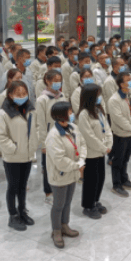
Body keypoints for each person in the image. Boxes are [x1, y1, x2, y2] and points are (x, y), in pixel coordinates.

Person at [0, 81, 38, 231]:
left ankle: (22, 211)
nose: (22, 96)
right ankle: (13, 215)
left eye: (24, 93)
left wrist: (33, 145)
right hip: (12, 157)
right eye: (18, 94)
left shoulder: (30, 109)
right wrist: (13, 148)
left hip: (27, 155)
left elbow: (36, 128)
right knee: (13, 186)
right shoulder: (4, 113)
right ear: (10, 95)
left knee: (22, 186)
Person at [44, 101, 84, 249]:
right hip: (60, 175)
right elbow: (60, 161)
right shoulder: (53, 136)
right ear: (61, 115)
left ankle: (65, 225)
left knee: (67, 202)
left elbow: (81, 144)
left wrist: (81, 160)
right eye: (70, 112)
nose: (72, 114)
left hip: (72, 173)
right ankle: (56, 231)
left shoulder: (72, 128)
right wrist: (78, 166)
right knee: (58, 204)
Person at [77, 84, 113, 219]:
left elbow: (107, 129)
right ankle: (88, 206)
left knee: (100, 178)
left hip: (101, 152)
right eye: (97, 95)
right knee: (90, 180)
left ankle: (96, 201)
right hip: (91, 153)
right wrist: (104, 148)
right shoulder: (84, 115)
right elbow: (89, 136)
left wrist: (109, 144)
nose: (100, 97)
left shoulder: (98, 110)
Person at [108, 72, 131, 197]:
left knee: (126, 158)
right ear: (121, 84)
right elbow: (118, 119)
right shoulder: (114, 100)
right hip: (120, 134)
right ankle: (116, 185)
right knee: (118, 160)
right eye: (128, 80)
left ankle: (124, 179)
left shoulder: (130, 95)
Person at [36, 70, 66, 204]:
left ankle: (59, 189)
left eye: (60, 80)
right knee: (48, 167)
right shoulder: (42, 99)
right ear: (47, 81)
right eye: (55, 81)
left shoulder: (62, 96)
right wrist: (43, 143)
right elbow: (41, 123)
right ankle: (48, 193)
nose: (58, 83)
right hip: (49, 138)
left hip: (62, 136)